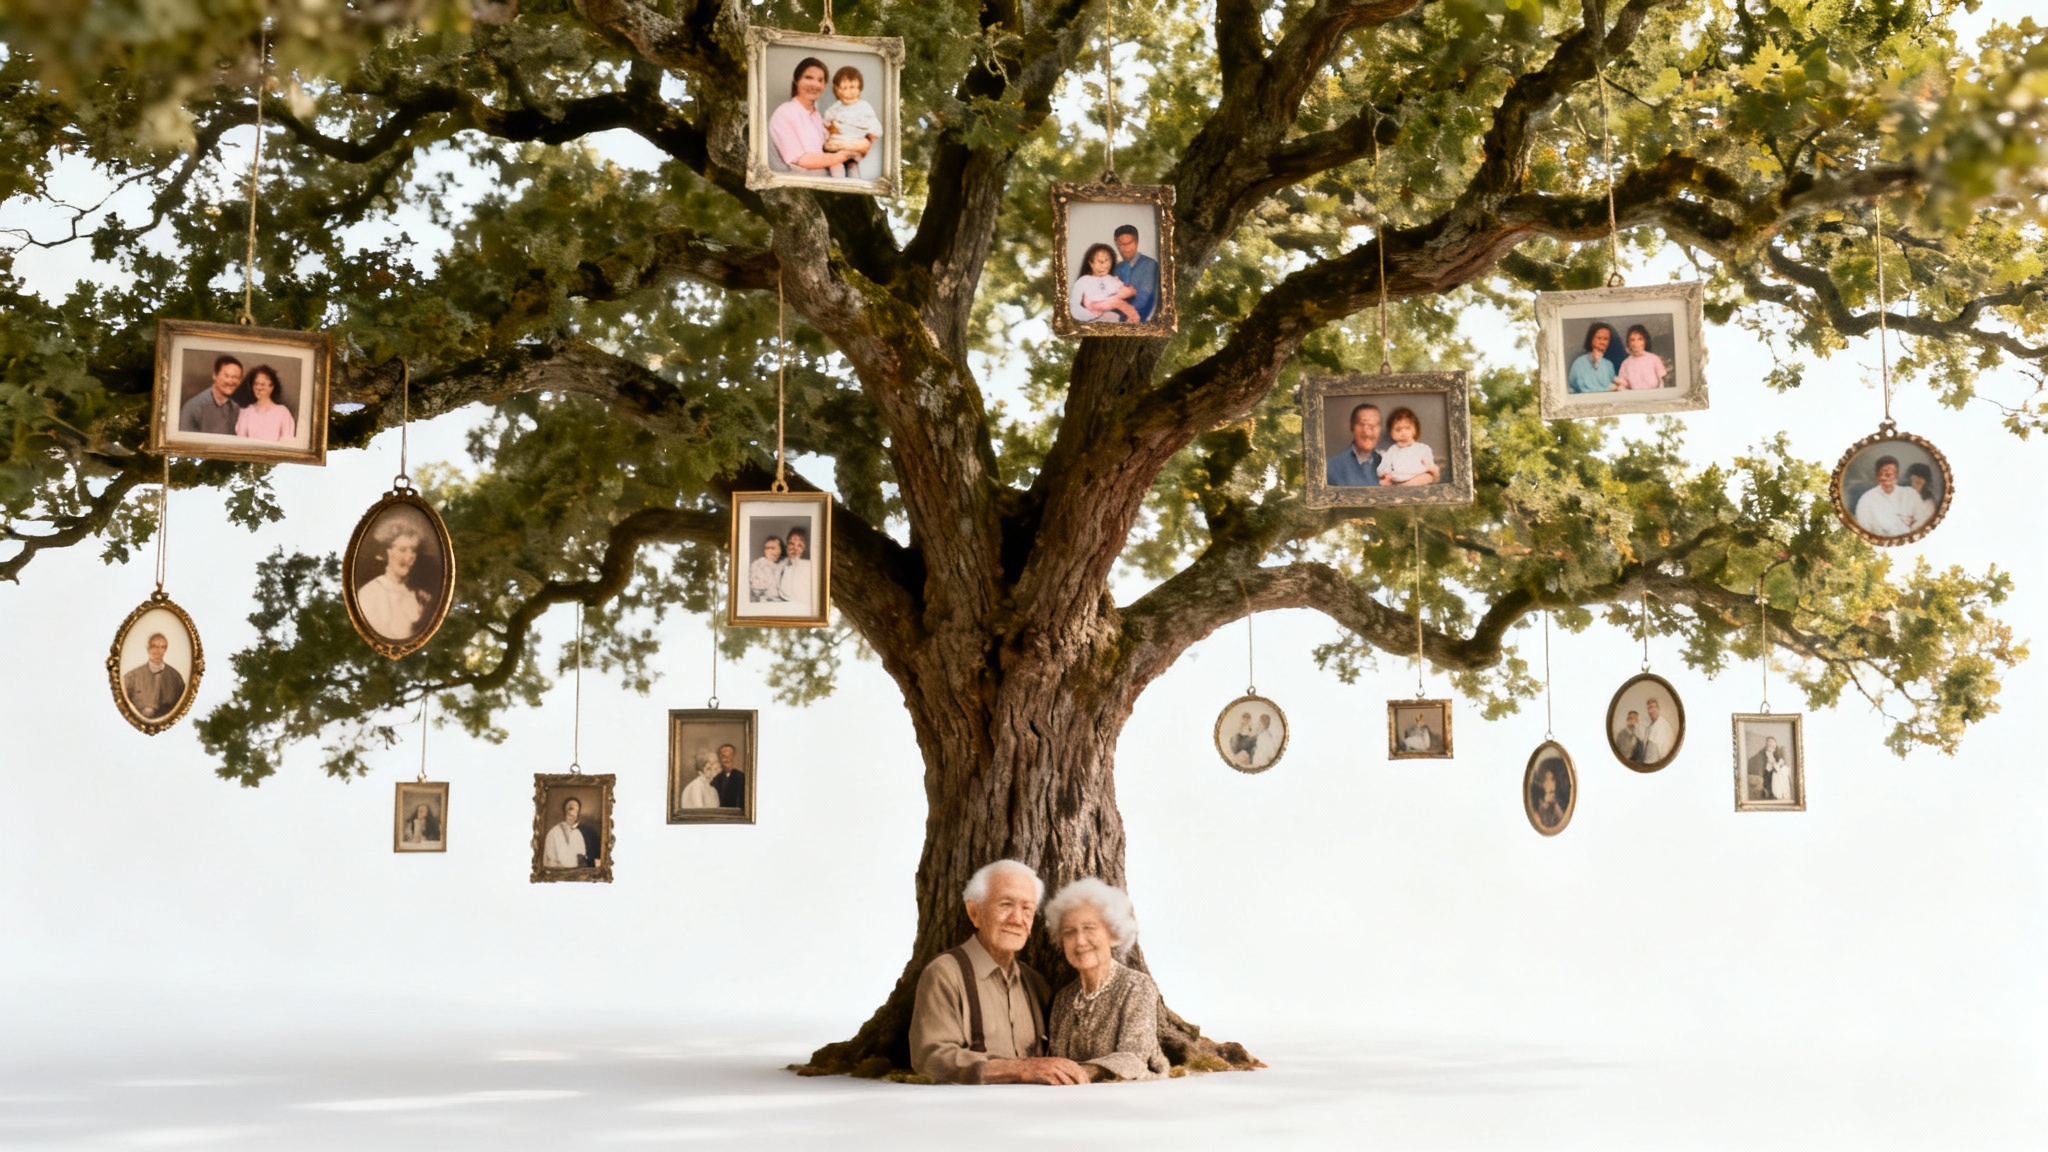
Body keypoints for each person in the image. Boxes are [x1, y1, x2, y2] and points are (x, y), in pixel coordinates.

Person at [909, 860, 1089, 1085]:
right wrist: (1018, 1070)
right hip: (971, 1114)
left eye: (1027, 909)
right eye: (1005, 905)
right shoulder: (945, 974)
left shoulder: (1035, 984)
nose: (1017, 919)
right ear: (974, 912)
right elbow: (929, 1057)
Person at [1044, 878, 1170, 1082]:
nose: (1080, 941)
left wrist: (1079, 1073)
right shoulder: (1063, 999)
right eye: (1069, 932)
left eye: (1089, 928)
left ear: (1113, 933)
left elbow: (1133, 1059)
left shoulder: (1137, 987)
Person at [768, 57, 860, 176]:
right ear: (796, 80)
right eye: (808, 78)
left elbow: (832, 146)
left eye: (820, 80)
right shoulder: (783, 113)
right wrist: (839, 157)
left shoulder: (819, 117)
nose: (815, 84)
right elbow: (800, 160)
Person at [356, 515, 435, 640]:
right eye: (403, 550)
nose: (410, 557)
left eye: (413, 550)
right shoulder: (369, 594)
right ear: (385, 552)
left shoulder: (422, 597)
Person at [820, 65, 881, 179]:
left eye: (852, 87)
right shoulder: (836, 107)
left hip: (853, 146)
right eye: (844, 88)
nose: (849, 92)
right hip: (836, 147)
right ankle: (838, 184)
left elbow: (874, 127)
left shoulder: (864, 107)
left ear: (859, 88)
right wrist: (829, 128)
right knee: (835, 164)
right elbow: (826, 121)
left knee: (852, 168)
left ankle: (853, 184)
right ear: (837, 91)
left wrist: (871, 135)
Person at [1853, 455, 1923, 537]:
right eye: (1883, 474)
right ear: (1877, 477)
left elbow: (1922, 520)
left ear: (1896, 476)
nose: (1887, 478)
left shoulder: (1910, 494)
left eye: (1890, 474)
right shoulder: (1866, 499)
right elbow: (1864, 530)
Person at [122, 631, 185, 719]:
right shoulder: (131, 677)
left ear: (165, 650)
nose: (158, 651)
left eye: (162, 647)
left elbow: (183, 708)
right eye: (154, 646)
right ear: (148, 648)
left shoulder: (176, 678)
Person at [1070, 243, 1139, 323]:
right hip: (1091, 307)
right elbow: (1074, 307)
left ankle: (1133, 319)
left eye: (1106, 261)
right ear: (1091, 263)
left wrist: (1129, 291)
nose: (1103, 265)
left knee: (1119, 299)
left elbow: (1119, 288)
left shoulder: (1110, 279)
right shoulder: (1083, 280)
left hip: (1105, 307)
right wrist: (1085, 315)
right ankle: (1133, 317)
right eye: (1099, 261)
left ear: (1111, 262)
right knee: (1116, 301)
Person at [179, 354, 244, 434]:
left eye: (235, 377)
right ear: (214, 376)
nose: (230, 381)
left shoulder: (235, 409)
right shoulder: (194, 407)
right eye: (226, 376)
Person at [1377, 407, 1440, 486]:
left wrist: (1432, 469)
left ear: (1415, 430)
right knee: (1383, 482)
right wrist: (1386, 474)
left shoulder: (1422, 448)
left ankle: (1406, 486)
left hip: (1418, 476)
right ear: (1391, 433)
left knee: (1428, 477)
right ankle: (1403, 487)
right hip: (1398, 479)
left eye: (1407, 428)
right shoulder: (1392, 450)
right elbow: (1385, 465)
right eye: (1398, 430)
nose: (1403, 432)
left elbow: (1429, 464)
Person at [232, 364, 296, 440]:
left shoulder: (282, 412)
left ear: (271, 387)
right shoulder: (246, 412)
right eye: (256, 384)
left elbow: (287, 440)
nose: (258, 388)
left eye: (262, 384)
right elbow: (240, 440)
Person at [1326, 402, 1383, 486]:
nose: (1368, 433)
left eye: (1374, 426)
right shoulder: (1331, 468)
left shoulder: (1386, 463)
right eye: (1362, 425)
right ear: (1352, 427)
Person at [1111, 224, 1159, 322]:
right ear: (1117, 245)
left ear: (1136, 242)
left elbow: (1145, 296)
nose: (1126, 248)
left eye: (1129, 243)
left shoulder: (1150, 264)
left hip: (1142, 320)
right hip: (1118, 321)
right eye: (1122, 244)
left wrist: (1130, 316)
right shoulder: (1117, 269)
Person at [542, 796, 599, 869]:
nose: (571, 813)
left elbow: (582, 859)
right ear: (564, 811)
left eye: (575, 810)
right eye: (569, 809)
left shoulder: (578, 833)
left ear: (578, 813)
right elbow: (549, 861)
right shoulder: (553, 833)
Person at [1613, 325, 1669, 390]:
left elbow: (1662, 382)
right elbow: (1622, 385)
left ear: (1645, 341)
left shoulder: (1654, 359)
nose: (1636, 343)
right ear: (1629, 344)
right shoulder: (1626, 364)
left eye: (1640, 339)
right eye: (1632, 340)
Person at [1567, 323, 1617, 393]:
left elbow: (1613, 389)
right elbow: (1580, 389)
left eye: (1606, 339)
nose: (1602, 342)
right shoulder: (1579, 363)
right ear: (1591, 339)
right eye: (1599, 338)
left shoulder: (1609, 365)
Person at [780, 528, 815, 613]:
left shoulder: (809, 566)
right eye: (791, 544)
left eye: (799, 545)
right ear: (786, 546)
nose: (795, 548)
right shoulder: (780, 567)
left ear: (803, 549)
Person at [1749, 735, 1791, 802]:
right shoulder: (1762, 754)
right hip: (1767, 775)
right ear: (1767, 744)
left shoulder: (1774, 754)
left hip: (1773, 773)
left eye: (1773, 747)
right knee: (1780, 773)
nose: (1772, 748)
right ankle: (1776, 793)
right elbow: (1765, 767)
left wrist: (1779, 764)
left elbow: (1777, 765)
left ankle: (1782, 793)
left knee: (1784, 772)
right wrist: (1776, 765)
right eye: (1770, 745)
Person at [749, 534, 787, 603]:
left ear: (780, 550)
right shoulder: (758, 564)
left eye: (772, 548)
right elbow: (754, 586)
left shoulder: (786, 564)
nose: (769, 551)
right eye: (767, 548)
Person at [1531, 760, 1569, 829]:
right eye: (1550, 780)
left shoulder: (1555, 804)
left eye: (1553, 780)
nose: (1554, 783)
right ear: (1542, 783)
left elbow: (1561, 820)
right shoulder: (1537, 806)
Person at [1639, 697, 1676, 764]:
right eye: (1649, 708)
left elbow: (1666, 751)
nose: (1650, 711)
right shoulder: (1650, 726)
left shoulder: (1663, 725)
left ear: (1658, 708)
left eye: (1653, 707)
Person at [712, 742, 747, 808]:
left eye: (729, 756)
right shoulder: (715, 779)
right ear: (720, 759)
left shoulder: (741, 777)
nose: (727, 759)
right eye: (724, 756)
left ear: (733, 757)